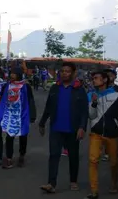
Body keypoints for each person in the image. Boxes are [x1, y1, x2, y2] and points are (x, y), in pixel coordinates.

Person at [39, 61, 89, 194]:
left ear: (73, 73)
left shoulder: (79, 89)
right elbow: (48, 107)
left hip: (72, 129)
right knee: (54, 155)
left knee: (73, 156)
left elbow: (84, 111)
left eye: (67, 71)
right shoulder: (55, 88)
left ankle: (73, 181)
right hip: (56, 128)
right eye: (62, 71)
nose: (64, 73)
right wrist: (42, 122)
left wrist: (82, 127)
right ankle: (51, 183)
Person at [85, 71, 118, 199]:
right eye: (93, 78)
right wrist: (93, 103)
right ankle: (94, 191)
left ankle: (114, 184)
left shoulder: (117, 95)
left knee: (113, 162)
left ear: (104, 80)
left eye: (96, 78)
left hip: (112, 134)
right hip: (96, 133)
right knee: (93, 160)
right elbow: (91, 115)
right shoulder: (90, 95)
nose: (93, 80)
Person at [0, 66, 36, 169]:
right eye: (11, 73)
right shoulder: (7, 86)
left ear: (19, 75)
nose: (11, 75)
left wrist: (32, 115)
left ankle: (22, 156)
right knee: (9, 136)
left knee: (23, 136)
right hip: (10, 115)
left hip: (22, 115)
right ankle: (9, 158)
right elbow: (2, 99)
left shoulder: (25, 87)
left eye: (14, 73)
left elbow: (30, 100)